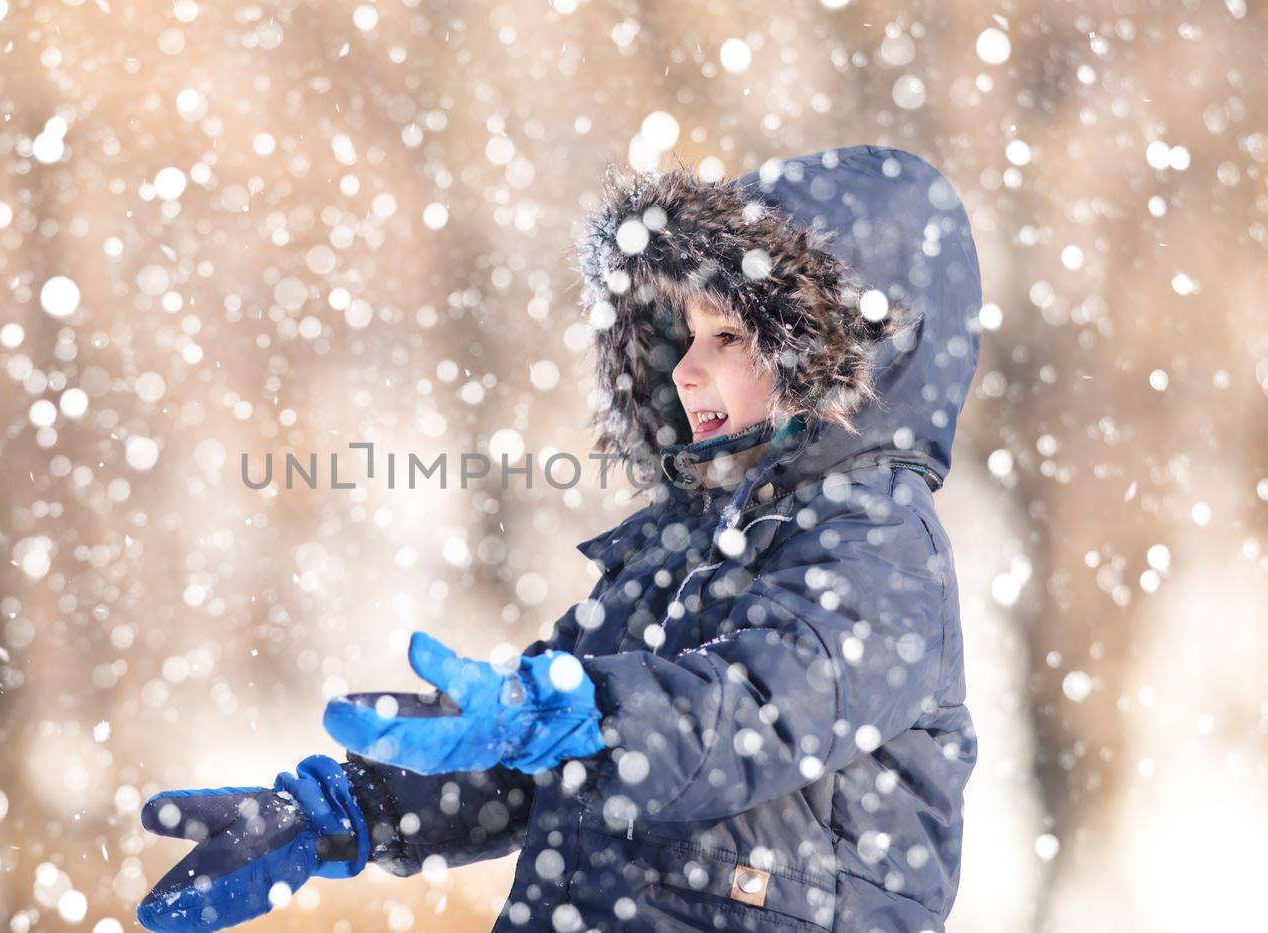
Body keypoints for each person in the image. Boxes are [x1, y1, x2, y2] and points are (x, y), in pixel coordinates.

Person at [136, 144, 982, 933]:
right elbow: (524, 754)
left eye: (726, 335)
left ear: (842, 345)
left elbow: (759, 710)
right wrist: (344, 810)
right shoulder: (677, 553)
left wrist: (590, 714)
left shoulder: (880, 540)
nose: (686, 368)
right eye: (682, 337)